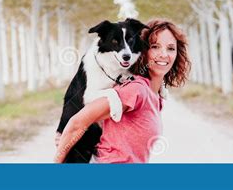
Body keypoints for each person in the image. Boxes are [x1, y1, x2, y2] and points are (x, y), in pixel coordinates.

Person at [54, 19, 191, 163]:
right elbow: (77, 123)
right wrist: (58, 159)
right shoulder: (135, 89)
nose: (163, 54)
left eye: (171, 48)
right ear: (145, 50)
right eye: (155, 46)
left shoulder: (152, 92)